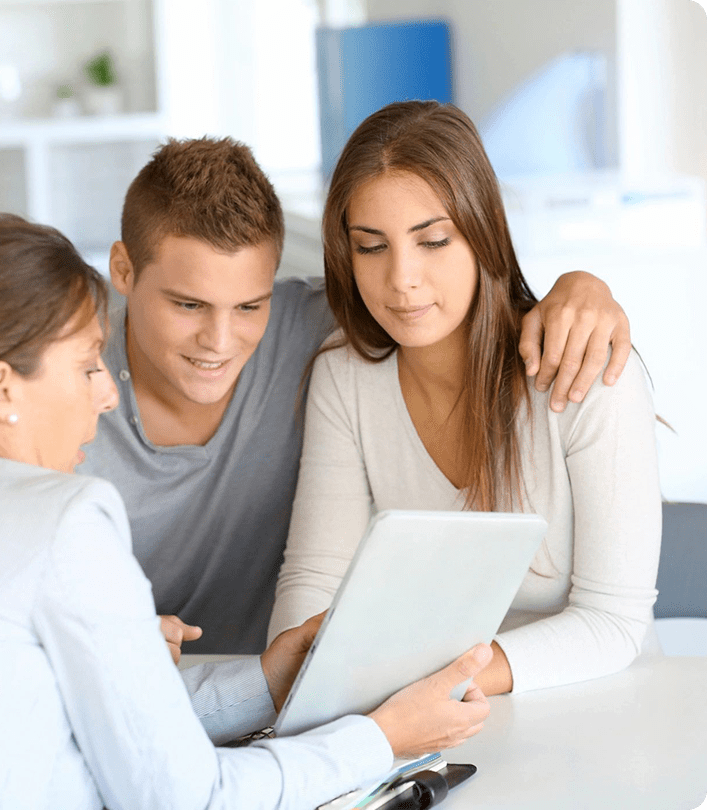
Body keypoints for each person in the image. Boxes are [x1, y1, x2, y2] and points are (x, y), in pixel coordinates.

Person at [0, 213, 494, 810]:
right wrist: (384, 737)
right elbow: (185, 798)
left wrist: (265, 683)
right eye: (88, 363)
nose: (105, 394)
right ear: (2, 388)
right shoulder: (56, 517)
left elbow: (87, 729)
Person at [80, 136, 635, 654]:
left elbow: (439, 301)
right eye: (188, 305)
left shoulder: (322, 329)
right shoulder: (59, 391)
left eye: (250, 305)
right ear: (123, 270)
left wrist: (583, 286)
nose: (220, 342)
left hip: (267, 690)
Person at [267, 101, 662, 696]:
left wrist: (441, 685)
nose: (402, 278)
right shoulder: (344, 376)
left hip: (584, 706)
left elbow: (613, 622)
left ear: (484, 232)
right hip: (412, 715)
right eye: (371, 247)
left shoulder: (587, 373)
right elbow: (316, 580)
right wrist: (294, 692)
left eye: (432, 241)